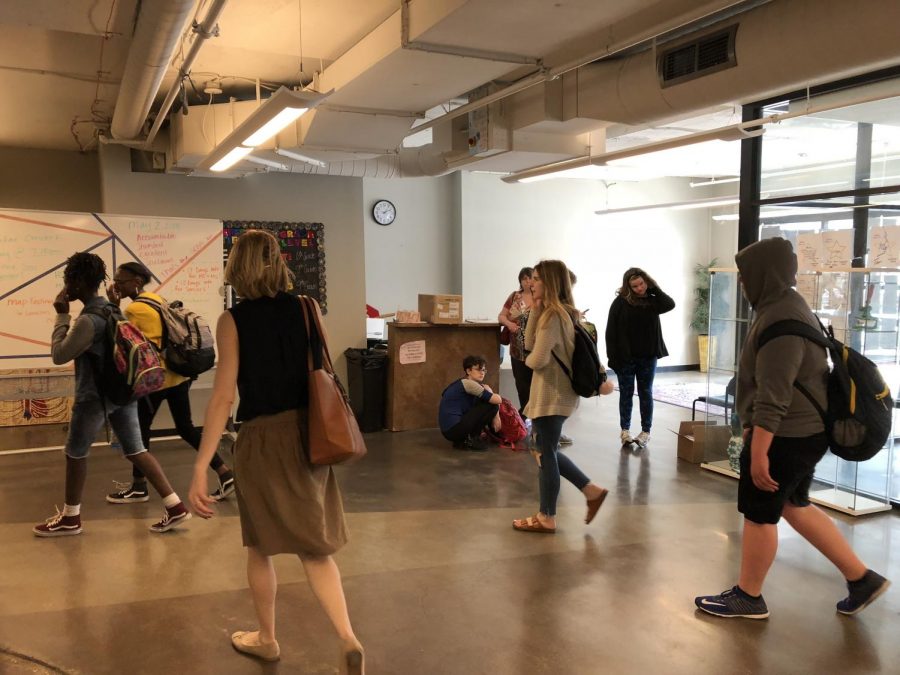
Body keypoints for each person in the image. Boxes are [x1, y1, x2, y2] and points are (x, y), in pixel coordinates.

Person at [187, 230, 364, 671]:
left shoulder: (233, 321)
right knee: (315, 548)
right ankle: (346, 636)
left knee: (260, 547)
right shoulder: (307, 308)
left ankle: (267, 638)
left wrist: (200, 465)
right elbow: (320, 368)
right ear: (278, 263)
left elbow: (223, 397)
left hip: (262, 441)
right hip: (310, 435)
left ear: (237, 269)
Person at [695, 237, 890, 619]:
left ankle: (749, 596)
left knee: (759, 511)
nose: (741, 283)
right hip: (802, 431)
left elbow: (775, 395)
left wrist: (759, 450)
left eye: (745, 275)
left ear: (763, 274)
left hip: (788, 434)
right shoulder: (785, 306)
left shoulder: (781, 320)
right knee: (793, 503)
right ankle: (861, 578)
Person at [33, 252, 191, 537]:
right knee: (136, 450)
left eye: (68, 279)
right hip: (123, 393)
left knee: (75, 453)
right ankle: (175, 505)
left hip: (94, 397)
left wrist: (61, 313)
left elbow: (59, 354)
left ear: (77, 283)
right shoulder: (113, 309)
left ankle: (71, 518)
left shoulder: (87, 321)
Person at [103, 262, 235, 504]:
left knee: (140, 433)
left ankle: (140, 487)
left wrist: (114, 307)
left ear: (137, 282)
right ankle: (225, 473)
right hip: (178, 377)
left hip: (156, 381)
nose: (116, 285)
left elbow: (128, 341)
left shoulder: (135, 310)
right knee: (185, 427)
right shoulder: (156, 299)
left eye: (121, 281)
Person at [512, 260, 610, 534]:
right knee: (545, 451)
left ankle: (547, 515)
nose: (532, 283)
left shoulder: (555, 316)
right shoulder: (551, 312)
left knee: (544, 453)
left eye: (537, 279)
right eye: (531, 279)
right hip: (552, 394)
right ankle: (591, 491)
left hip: (553, 394)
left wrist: (529, 358)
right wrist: (534, 307)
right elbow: (529, 342)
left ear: (551, 283)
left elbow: (536, 358)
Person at [605, 267, 675, 449]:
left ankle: (646, 432)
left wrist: (654, 288)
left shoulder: (653, 300)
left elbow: (670, 304)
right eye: (634, 286)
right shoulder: (620, 303)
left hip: (648, 356)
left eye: (642, 284)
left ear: (647, 282)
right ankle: (625, 431)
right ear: (627, 286)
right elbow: (610, 332)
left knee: (646, 393)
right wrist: (612, 359)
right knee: (626, 393)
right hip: (625, 358)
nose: (639, 288)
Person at [438, 355, 502, 452]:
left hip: (449, 431)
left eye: (484, 370)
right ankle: (473, 438)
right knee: (491, 406)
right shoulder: (469, 384)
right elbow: (498, 400)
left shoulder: (461, 383)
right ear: (468, 371)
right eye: (478, 369)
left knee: (484, 401)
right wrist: (496, 417)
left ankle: (463, 440)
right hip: (454, 429)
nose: (482, 373)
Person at [498, 267, 534, 415]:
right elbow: (501, 316)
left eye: (530, 278)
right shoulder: (514, 296)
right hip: (516, 349)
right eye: (524, 278)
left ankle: (535, 415)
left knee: (536, 384)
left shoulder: (541, 297)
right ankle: (525, 414)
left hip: (536, 349)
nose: (527, 281)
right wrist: (509, 324)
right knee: (521, 383)